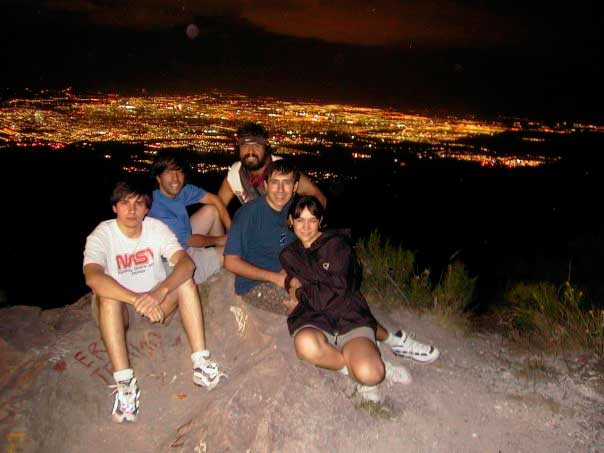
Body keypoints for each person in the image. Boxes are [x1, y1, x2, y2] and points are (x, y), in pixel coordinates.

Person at [83, 177, 222, 423]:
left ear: (147, 208)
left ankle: (201, 362)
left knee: (185, 282)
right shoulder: (102, 234)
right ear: (115, 207)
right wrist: (137, 299)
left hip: (157, 303)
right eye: (125, 203)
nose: (132, 210)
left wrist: (159, 292)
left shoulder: (155, 228)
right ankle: (125, 384)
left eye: (138, 203)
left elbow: (186, 263)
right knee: (107, 297)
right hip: (122, 309)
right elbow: (93, 277)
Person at [279, 195, 440, 401]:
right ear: (291, 221)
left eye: (312, 220)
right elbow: (293, 278)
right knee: (305, 344)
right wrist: (290, 283)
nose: (306, 227)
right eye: (300, 220)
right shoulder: (288, 255)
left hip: (349, 319)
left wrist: (299, 292)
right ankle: (350, 369)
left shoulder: (337, 246)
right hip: (315, 319)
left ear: (321, 221)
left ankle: (378, 359)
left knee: (371, 373)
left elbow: (334, 294)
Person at [223, 159, 297, 314]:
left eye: (287, 183)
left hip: (286, 278)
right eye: (275, 182)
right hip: (254, 286)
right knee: (304, 308)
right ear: (265, 185)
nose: (280, 189)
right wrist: (275, 278)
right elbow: (230, 262)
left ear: (295, 186)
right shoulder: (249, 214)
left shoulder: (294, 212)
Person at [148, 150, 231, 284]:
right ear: (158, 178)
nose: (175, 178)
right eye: (168, 172)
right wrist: (221, 240)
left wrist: (230, 230)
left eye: (179, 171)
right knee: (231, 254)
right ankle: (216, 258)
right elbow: (191, 241)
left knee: (212, 210)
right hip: (175, 263)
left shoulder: (180, 191)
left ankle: (218, 252)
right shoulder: (157, 209)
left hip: (183, 245)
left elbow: (214, 199)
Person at [218, 121, 327, 209]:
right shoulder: (235, 174)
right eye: (245, 146)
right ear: (239, 149)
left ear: (265, 149)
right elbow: (218, 206)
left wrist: (305, 223)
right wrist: (230, 229)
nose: (250, 151)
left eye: (257, 146)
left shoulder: (283, 169)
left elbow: (318, 197)